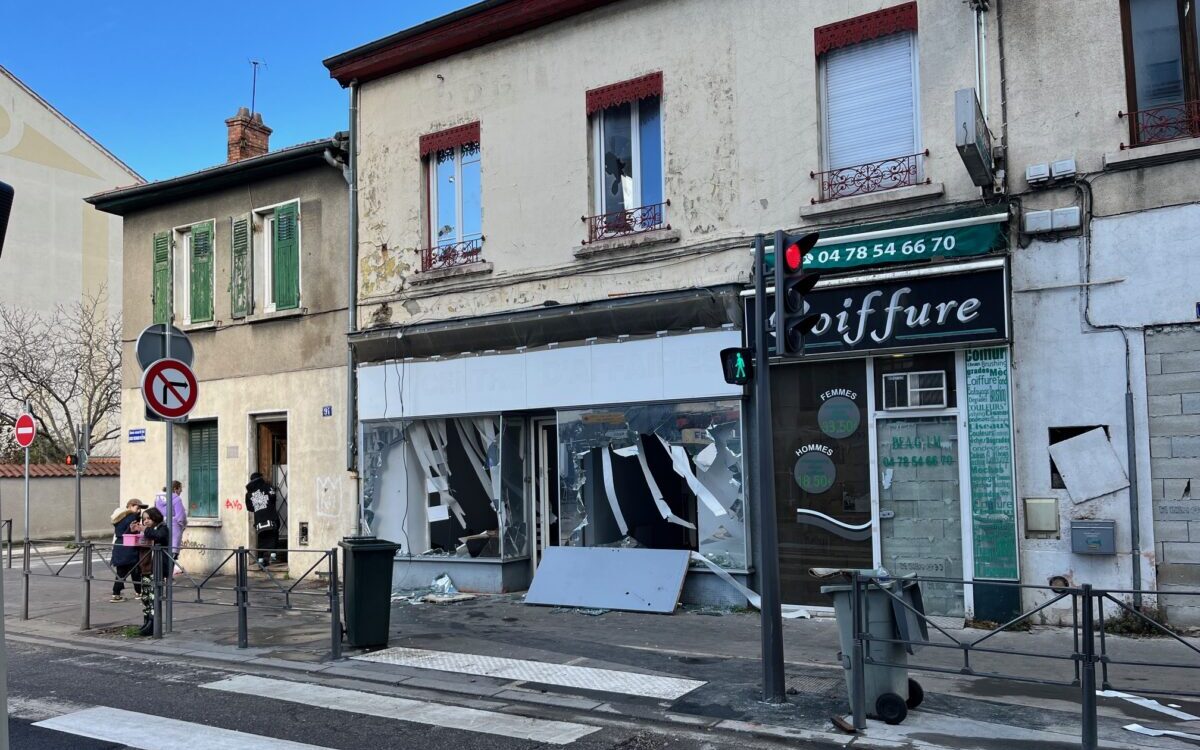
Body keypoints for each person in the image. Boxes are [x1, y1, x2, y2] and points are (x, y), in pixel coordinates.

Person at [136, 507, 171, 636]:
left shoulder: (162, 528)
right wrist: (134, 530)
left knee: (153, 597)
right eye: (144, 519)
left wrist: (145, 529)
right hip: (145, 568)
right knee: (145, 597)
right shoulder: (147, 531)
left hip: (156, 569)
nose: (146, 521)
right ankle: (146, 621)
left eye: (148, 519)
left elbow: (159, 536)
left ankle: (153, 624)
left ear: (155, 518)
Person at [110, 499, 147, 602]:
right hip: (129, 546)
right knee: (135, 570)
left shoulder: (119, 516)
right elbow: (134, 531)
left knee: (121, 572)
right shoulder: (132, 517)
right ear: (130, 506)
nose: (139, 511)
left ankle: (116, 594)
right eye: (137, 508)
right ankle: (139, 592)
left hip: (119, 545)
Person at [245, 472, 281, 566]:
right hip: (270, 516)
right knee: (273, 533)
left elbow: (249, 508)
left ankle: (260, 559)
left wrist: (258, 507)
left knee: (261, 538)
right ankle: (273, 556)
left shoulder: (249, 494)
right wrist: (267, 504)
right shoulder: (267, 487)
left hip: (259, 520)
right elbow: (273, 496)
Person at [154, 480, 187, 572]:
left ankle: (160, 576)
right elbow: (181, 517)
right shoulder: (176, 499)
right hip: (174, 528)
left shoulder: (158, 499)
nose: (181, 491)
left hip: (161, 527)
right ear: (175, 489)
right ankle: (168, 576)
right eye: (180, 488)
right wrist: (183, 525)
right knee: (172, 554)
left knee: (161, 553)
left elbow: (155, 513)